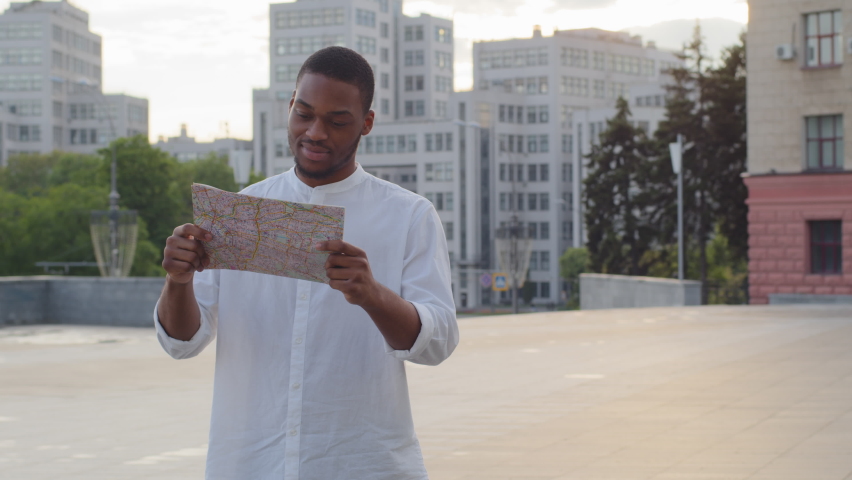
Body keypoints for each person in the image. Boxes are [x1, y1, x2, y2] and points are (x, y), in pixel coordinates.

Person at [155, 46, 458, 479]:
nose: (316, 132)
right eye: (304, 114)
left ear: (367, 123)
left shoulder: (408, 215)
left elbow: (438, 343)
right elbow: (181, 343)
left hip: (362, 466)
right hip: (249, 465)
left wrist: (374, 296)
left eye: (337, 121)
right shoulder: (238, 214)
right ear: (290, 107)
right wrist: (178, 281)